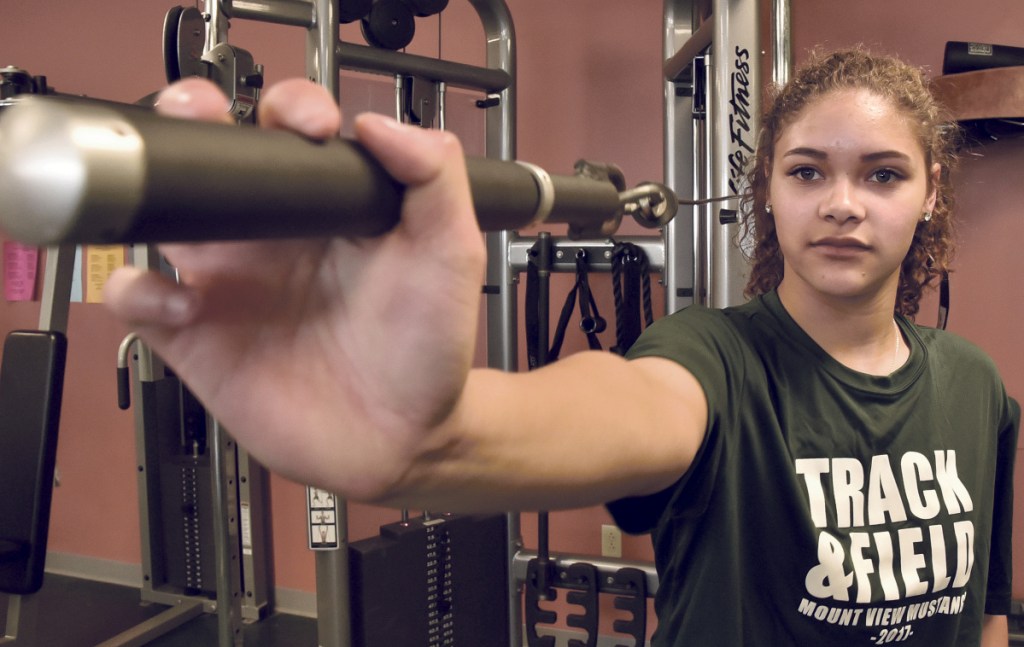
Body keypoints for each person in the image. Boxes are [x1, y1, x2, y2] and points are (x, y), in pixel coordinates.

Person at [103, 49, 1018, 646]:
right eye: (808, 171)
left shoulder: (978, 387)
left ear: (930, 193)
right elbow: (618, 407)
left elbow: (981, 613)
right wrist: (431, 436)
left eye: (883, 174)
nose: (844, 204)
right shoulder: (711, 362)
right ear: (769, 193)